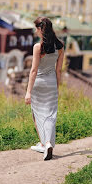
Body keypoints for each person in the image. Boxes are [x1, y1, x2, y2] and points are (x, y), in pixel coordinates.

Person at [25, 16, 64, 160]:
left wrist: (28, 92)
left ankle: (44, 143)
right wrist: (57, 87)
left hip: (39, 84)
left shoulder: (38, 47)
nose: (35, 31)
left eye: (36, 28)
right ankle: (47, 144)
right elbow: (58, 70)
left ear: (41, 29)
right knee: (50, 115)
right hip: (51, 83)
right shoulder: (60, 46)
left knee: (38, 114)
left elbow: (34, 70)